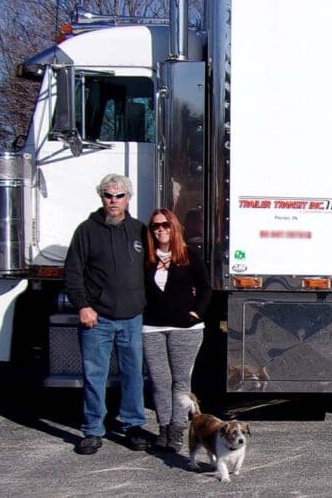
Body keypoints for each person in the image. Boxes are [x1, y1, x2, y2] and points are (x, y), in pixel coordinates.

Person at [63, 173, 150, 455]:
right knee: (94, 375)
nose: (113, 201)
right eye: (108, 195)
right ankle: (92, 430)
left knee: (133, 374)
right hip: (96, 319)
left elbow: (153, 269)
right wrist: (83, 306)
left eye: (119, 196)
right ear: (101, 198)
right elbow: (73, 273)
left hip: (132, 318)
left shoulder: (139, 230)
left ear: (128, 198)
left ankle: (133, 425)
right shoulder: (86, 230)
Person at [141, 207, 212, 452]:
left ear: (174, 227)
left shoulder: (190, 255)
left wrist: (196, 313)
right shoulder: (146, 259)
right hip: (152, 328)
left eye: (165, 225)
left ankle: (177, 430)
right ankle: (163, 428)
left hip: (185, 329)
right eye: (155, 226)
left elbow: (205, 288)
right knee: (160, 381)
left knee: (180, 381)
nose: (160, 229)